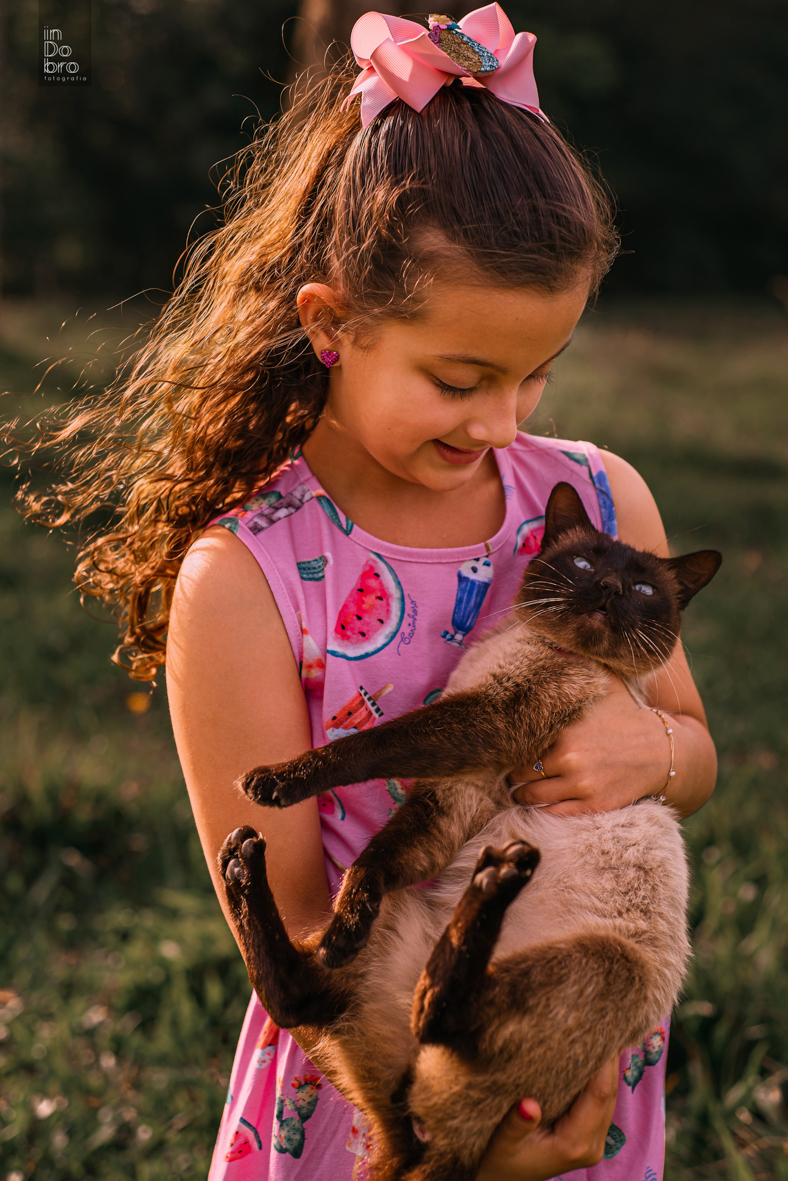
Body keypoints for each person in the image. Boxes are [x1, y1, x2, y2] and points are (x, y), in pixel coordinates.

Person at [22, 7, 716, 1178]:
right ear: (333, 323)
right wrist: (462, 1133)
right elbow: (296, 924)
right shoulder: (246, 577)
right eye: (460, 377)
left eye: (535, 376)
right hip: (381, 1072)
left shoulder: (599, 501)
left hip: (556, 1045)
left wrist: (648, 752)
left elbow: (693, 750)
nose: (502, 423)